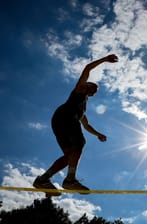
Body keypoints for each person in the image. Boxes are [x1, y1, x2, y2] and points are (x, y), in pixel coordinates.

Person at [33, 54, 119, 195]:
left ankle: (43, 180)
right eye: (93, 88)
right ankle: (70, 180)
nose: (94, 90)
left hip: (61, 122)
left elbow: (86, 125)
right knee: (79, 142)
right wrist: (104, 59)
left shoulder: (81, 110)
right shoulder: (79, 89)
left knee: (70, 157)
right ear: (87, 86)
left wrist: (98, 134)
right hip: (65, 117)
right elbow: (87, 69)